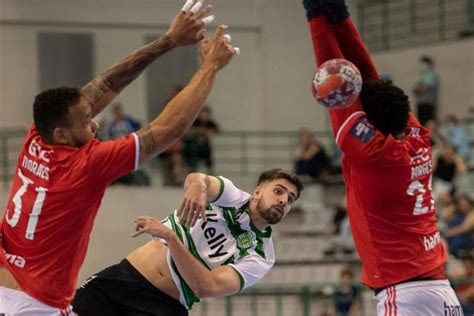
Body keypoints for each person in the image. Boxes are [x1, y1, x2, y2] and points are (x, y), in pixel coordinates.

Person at [0, 0, 240, 313]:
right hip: (35, 302)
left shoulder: (38, 135)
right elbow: (169, 129)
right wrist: (209, 67)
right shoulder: (86, 165)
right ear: (62, 134)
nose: (95, 123)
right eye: (86, 121)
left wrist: (168, 41)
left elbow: (107, 84)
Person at [302, 1, 462, 315]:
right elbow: (369, 82)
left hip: (404, 292)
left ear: (370, 123)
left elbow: (337, 82)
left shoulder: (375, 153)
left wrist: (316, 13)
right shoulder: (417, 140)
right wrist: (337, 14)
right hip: (441, 291)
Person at [71, 169, 304, 315]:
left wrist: (171, 238)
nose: (284, 200)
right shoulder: (232, 197)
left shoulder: (262, 255)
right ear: (257, 192)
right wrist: (198, 186)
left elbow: (206, 286)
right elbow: (199, 179)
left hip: (164, 307)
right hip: (124, 278)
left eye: (290, 199)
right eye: (279, 191)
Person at [183, 105, 220, 173]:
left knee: (208, 159)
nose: (204, 116)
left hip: (205, 145)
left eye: (206, 114)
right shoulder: (195, 121)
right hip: (194, 145)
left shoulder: (210, 123)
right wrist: (200, 131)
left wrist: (207, 132)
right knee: (193, 160)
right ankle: (192, 170)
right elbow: (188, 130)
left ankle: (210, 172)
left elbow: (216, 130)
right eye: (202, 113)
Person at [412, 55, 440, 126]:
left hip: (428, 103)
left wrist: (420, 90)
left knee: (429, 124)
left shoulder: (432, 75)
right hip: (420, 103)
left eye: (424, 64)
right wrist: (421, 89)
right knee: (421, 124)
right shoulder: (420, 76)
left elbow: (427, 88)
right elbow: (414, 89)